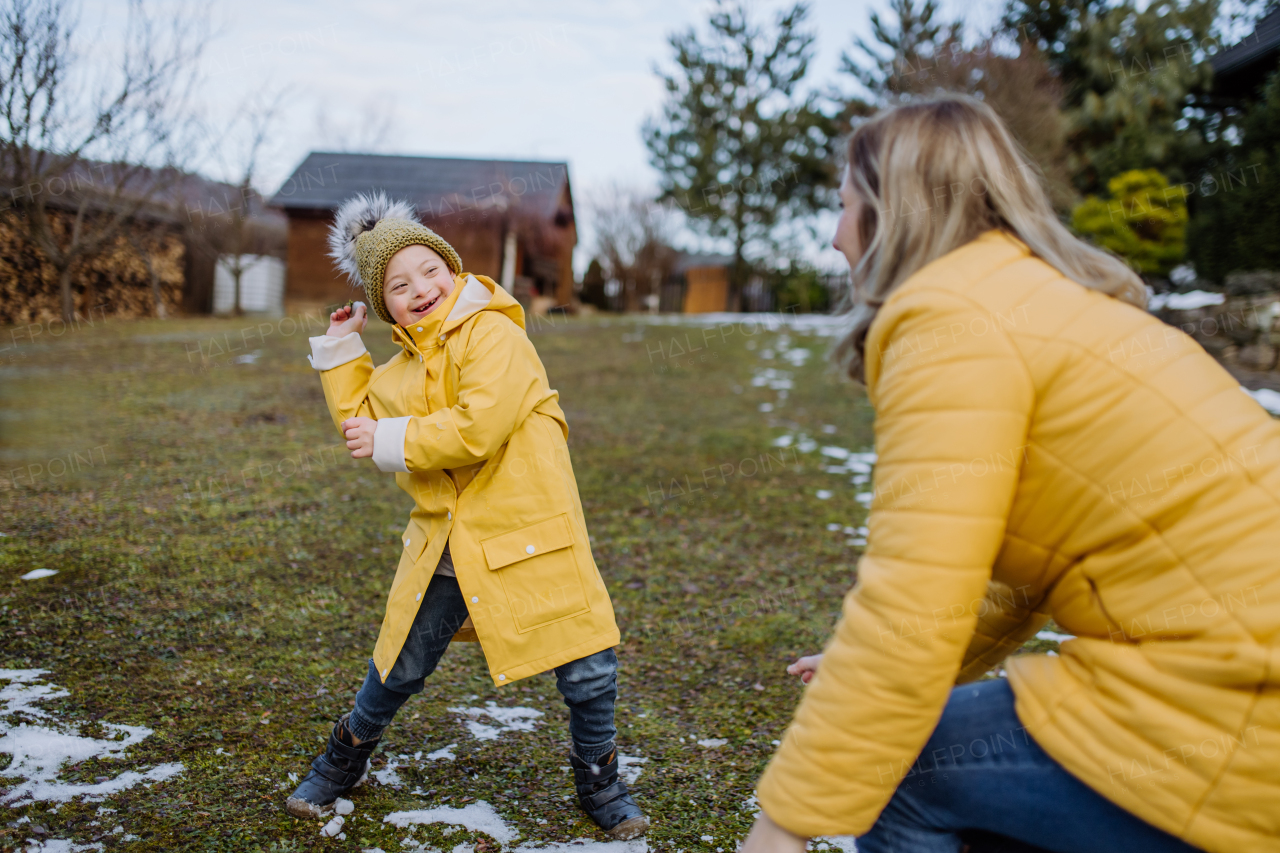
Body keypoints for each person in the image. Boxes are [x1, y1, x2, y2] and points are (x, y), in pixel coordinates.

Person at [741, 95, 1280, 853]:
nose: (834, 237)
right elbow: (1008, 571)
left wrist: (781, 826)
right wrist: (872, 663)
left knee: (904, 771)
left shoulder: (951, 322)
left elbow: (914, 597)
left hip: (1228, 699)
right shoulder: (1041, 303)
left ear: (892, 211)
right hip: (1239, 677)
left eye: (843, 207)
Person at [284, 192, 648, 840]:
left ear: (451, 266)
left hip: (535, 533)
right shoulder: (397, 373)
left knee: (588, 663)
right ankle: (346, 752)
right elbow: (364, 425)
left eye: (429, 269)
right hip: (448, 543)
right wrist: (342, 352)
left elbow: (478, 427)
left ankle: (600, 775)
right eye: (398, 285)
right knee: (399, 661)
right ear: (385, 304)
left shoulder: (495, 333)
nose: (420, 288)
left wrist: (392, 439)